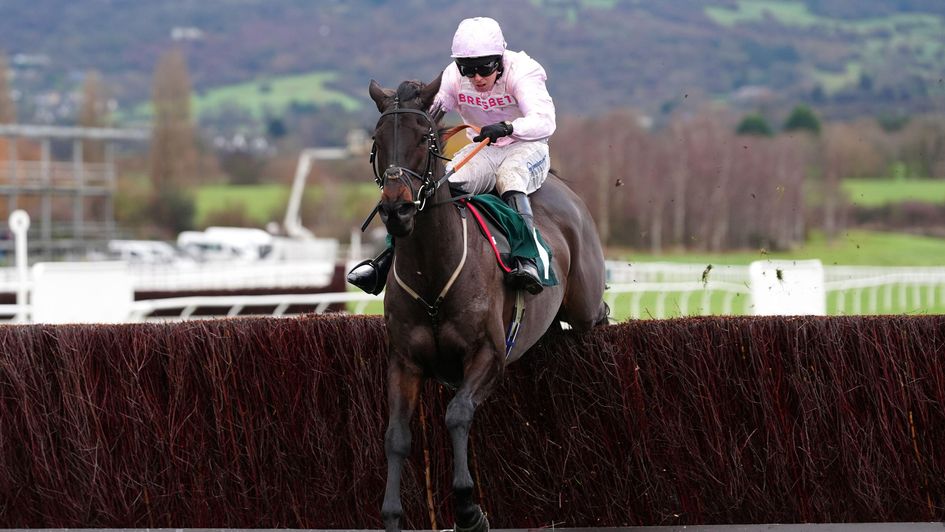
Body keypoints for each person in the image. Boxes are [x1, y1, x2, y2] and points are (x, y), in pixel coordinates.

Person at [348, 16, 555, 295]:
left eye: (485, 68)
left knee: (510, 176)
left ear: (500, 59)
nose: (477, 78)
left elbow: (545, 121)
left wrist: (508, 127)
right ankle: (387, 259)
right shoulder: (453, 77)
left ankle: (527, 258)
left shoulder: (523, 71)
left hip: (527, 147)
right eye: (468, 70)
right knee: (436, 183)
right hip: (485, 148)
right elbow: (429, 115)